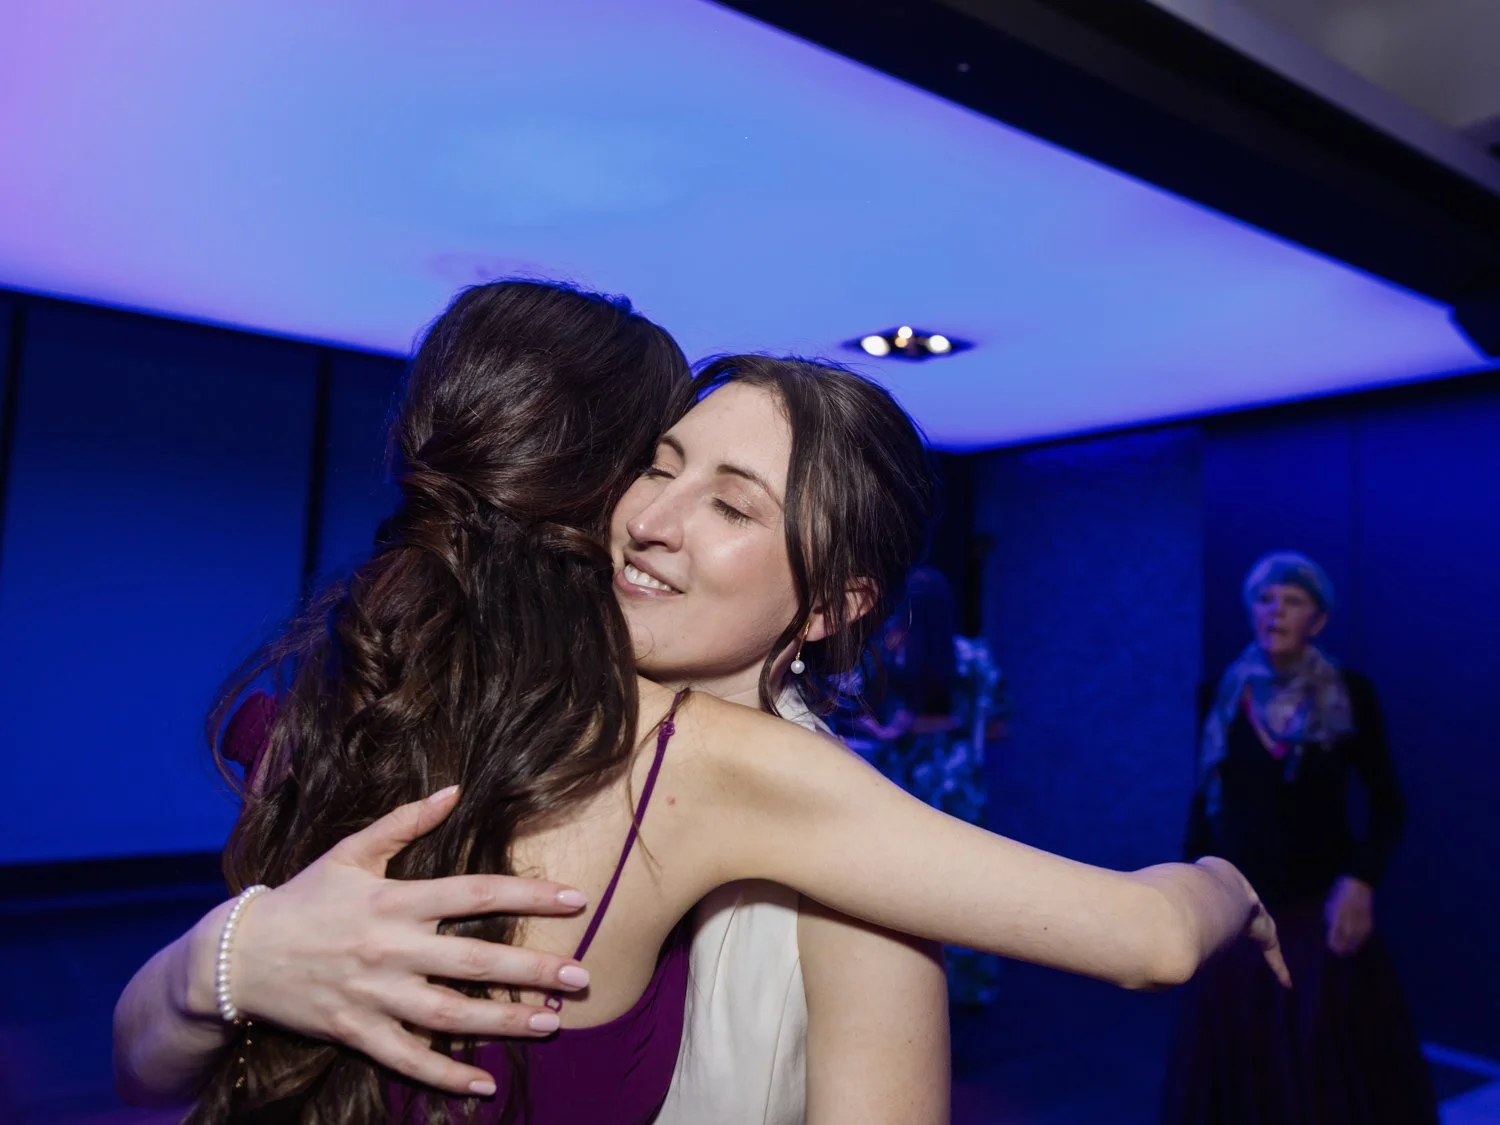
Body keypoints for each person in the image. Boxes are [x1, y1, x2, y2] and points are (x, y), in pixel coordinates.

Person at [116, 281, 1287, 1125]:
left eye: (732, 506)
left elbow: (1140, 943)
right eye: (658, 468)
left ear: (830, 604)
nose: (655, 521)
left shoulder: (774, 789)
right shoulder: (443, 712)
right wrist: (223, 960)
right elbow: (162, 1069)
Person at [1164, 551, 1435, 1125]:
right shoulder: (1219, 694)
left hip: (1319, 922)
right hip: (1238, 915)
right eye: (1265, 599)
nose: (1275, 611)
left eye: (1292, 601)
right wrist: (1190, 886)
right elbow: (1204, 801)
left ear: (1318, 619)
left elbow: (1390, 803)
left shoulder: (1350, 694)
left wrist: (1361, 881)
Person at [838, 567, 1005, 1007]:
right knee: (965, 886)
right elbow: (997, 725)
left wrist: (892, 729)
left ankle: (904, 985)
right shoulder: (973, 657)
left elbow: (851, 702)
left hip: (904, 778)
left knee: (905, 884)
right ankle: (965, 987)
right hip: (957, 779)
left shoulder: (892, 652)